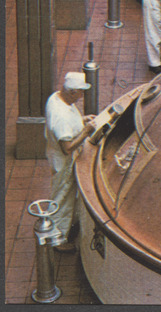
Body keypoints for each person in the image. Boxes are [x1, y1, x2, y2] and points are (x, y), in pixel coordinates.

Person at [44, 72, 96, 252]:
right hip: (64, 161)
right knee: (62, 197)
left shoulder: (56, 98)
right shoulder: (61, 116)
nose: (82, 96)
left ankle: (65, 227)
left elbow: (69, 122)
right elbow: (67, 147)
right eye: (80, 92)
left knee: (65, 195)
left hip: (56, 155)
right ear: (72, 92)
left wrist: (82, 120)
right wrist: (86, 131)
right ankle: (56, 239)